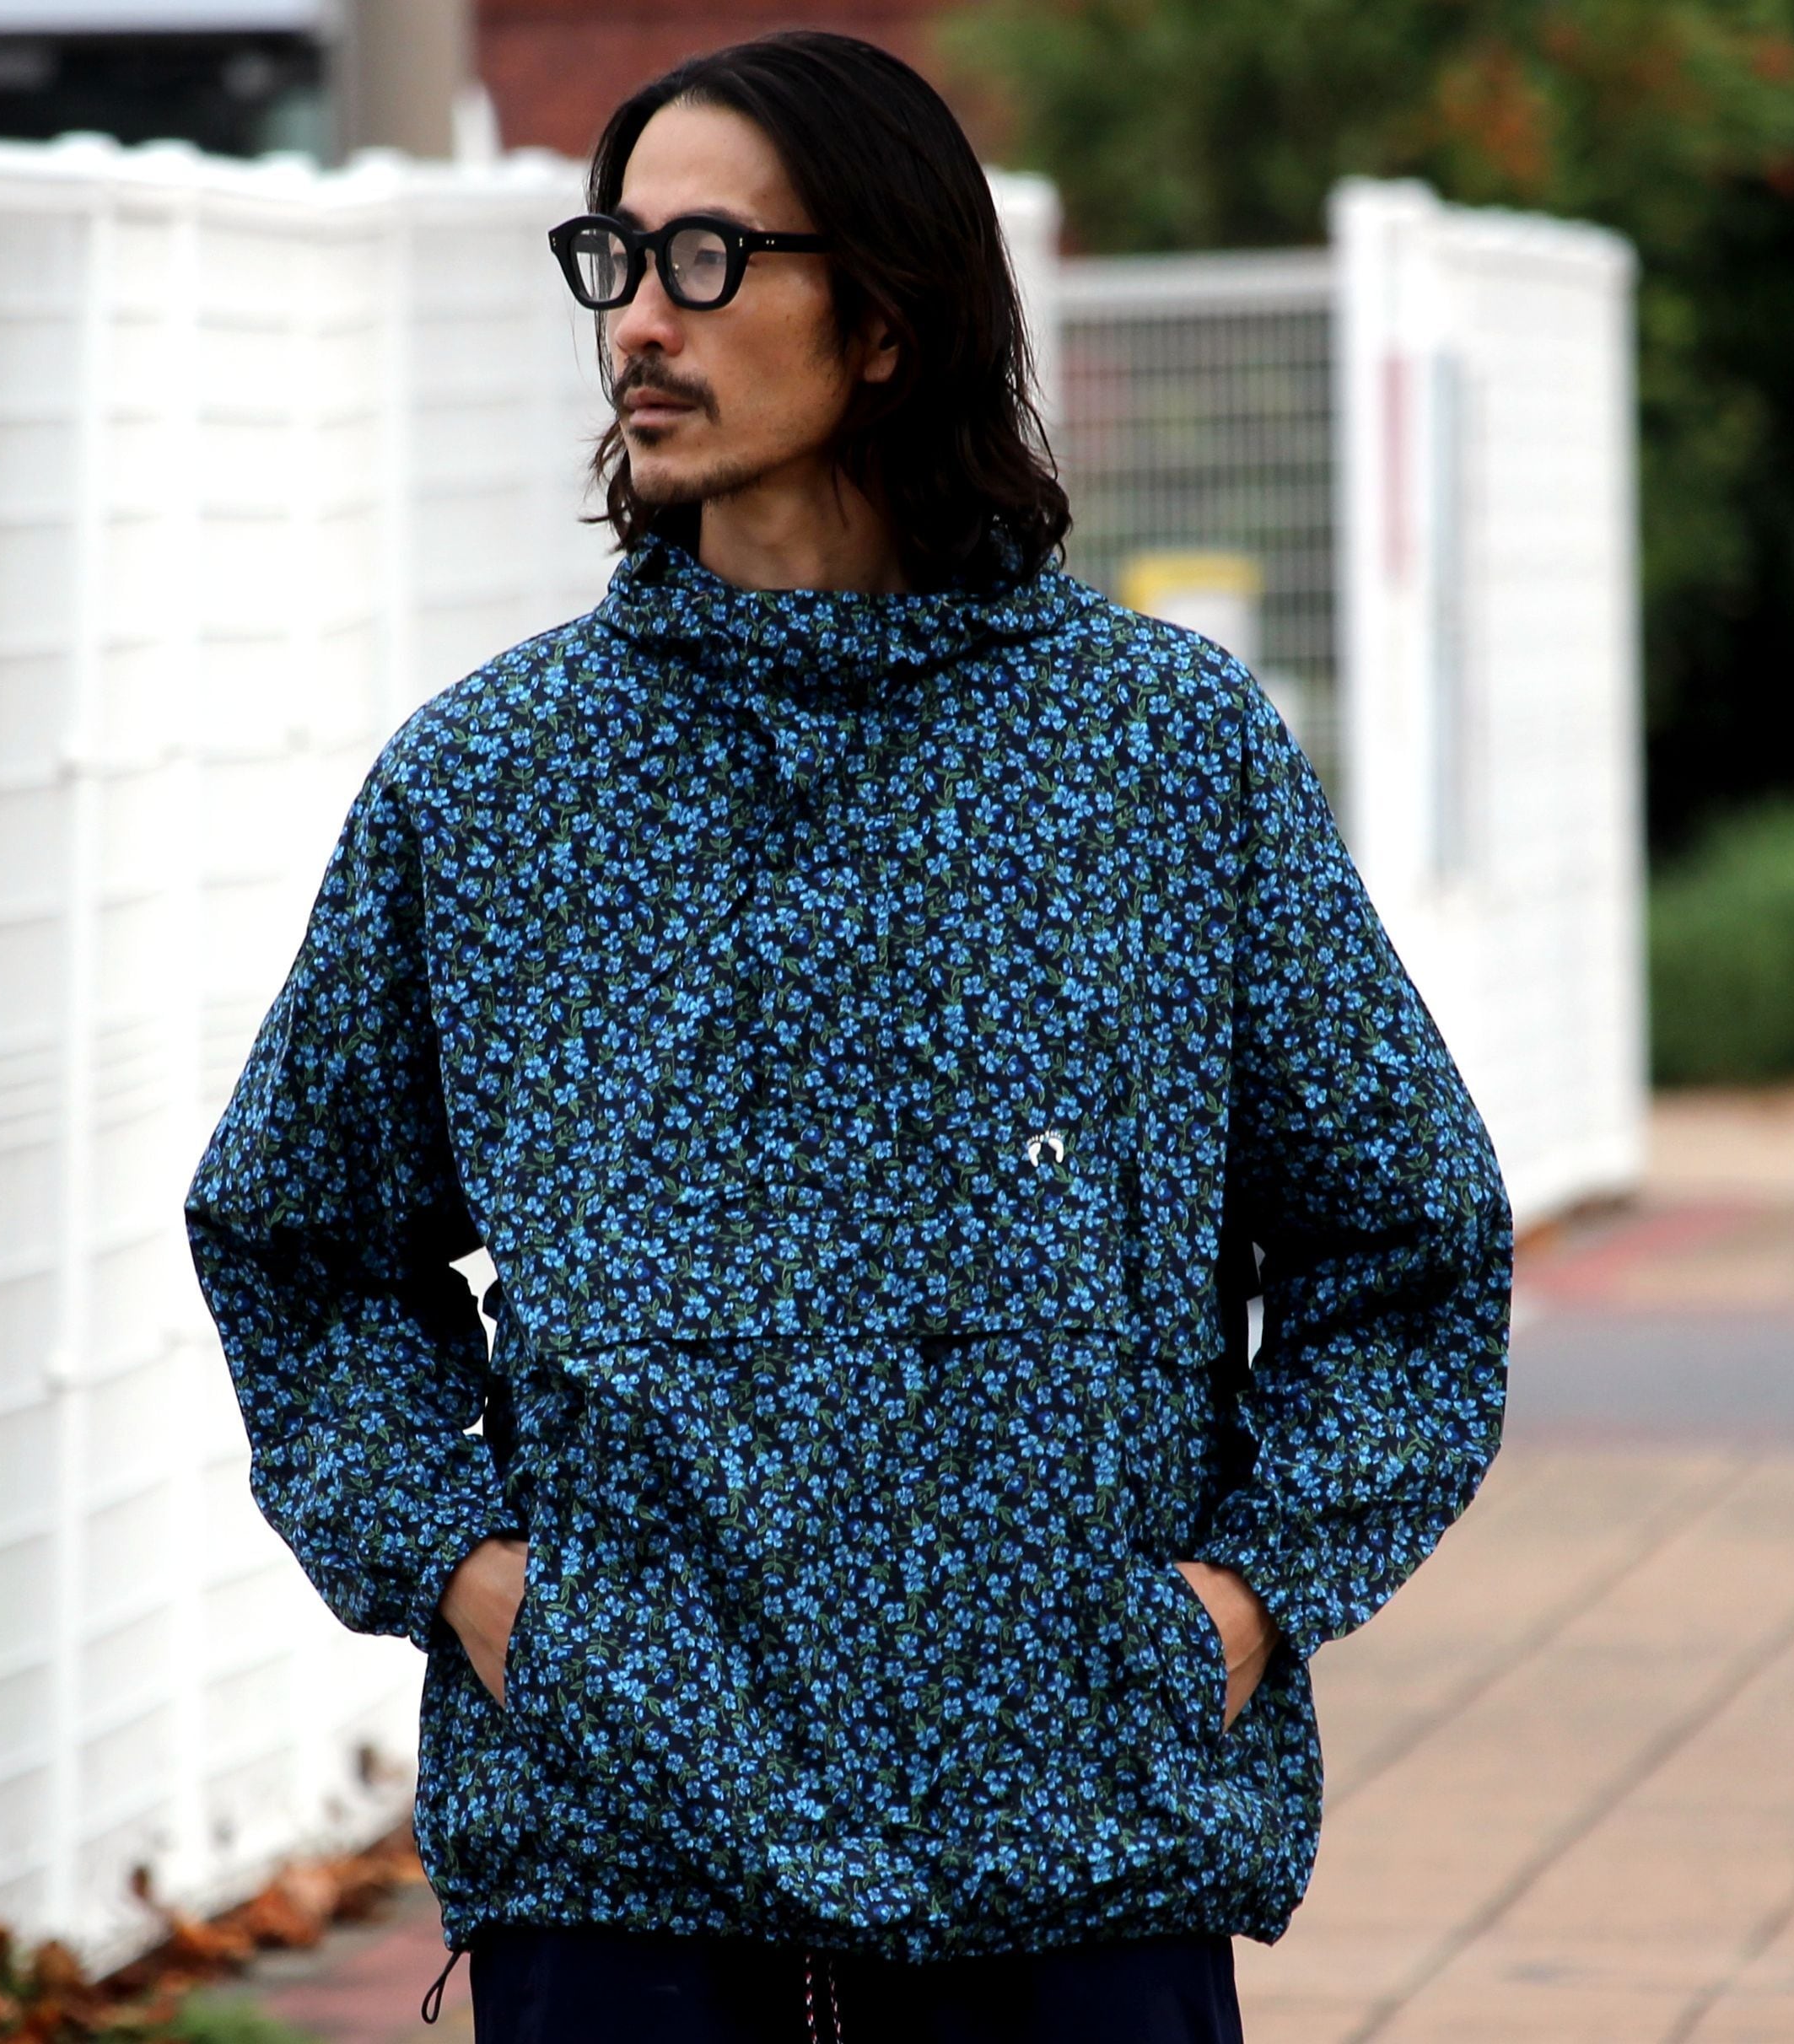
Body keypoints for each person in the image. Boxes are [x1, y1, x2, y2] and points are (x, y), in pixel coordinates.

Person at [183, 30, 1511, 2044]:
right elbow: (295, 1240)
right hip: (621, 1874)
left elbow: (1408, 1243)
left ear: (887, 319)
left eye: (707, 258)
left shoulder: (1160, 759)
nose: (640, 319)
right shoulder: (494, 782)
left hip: (1081, 1859)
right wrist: (485, 1590)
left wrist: (1232, 1615)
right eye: (615, 257)